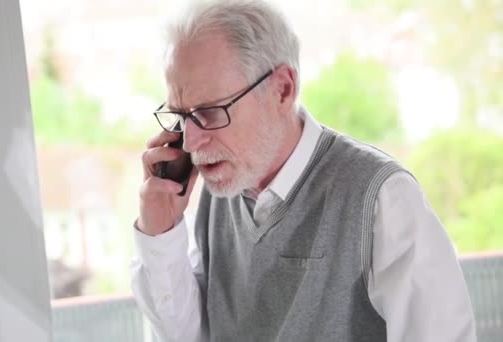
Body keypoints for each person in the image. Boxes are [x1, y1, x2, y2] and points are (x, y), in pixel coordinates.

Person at [130, 1, 476, 341]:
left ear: (283, 89)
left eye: (209, 112)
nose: (190, 142)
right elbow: (188, 335)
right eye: (181, 116)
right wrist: (161, 234)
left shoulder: (381, 197)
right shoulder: (220, 193)